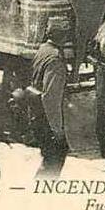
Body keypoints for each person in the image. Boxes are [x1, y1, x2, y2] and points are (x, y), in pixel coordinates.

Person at [30, 16, 71, 178]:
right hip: (45, 119)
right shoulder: (55, 60)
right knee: (54, 159)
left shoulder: (43, 49)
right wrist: (58, 130)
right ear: (63, 36)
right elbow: (50, 98)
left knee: (49, 160)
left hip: (36, 114)